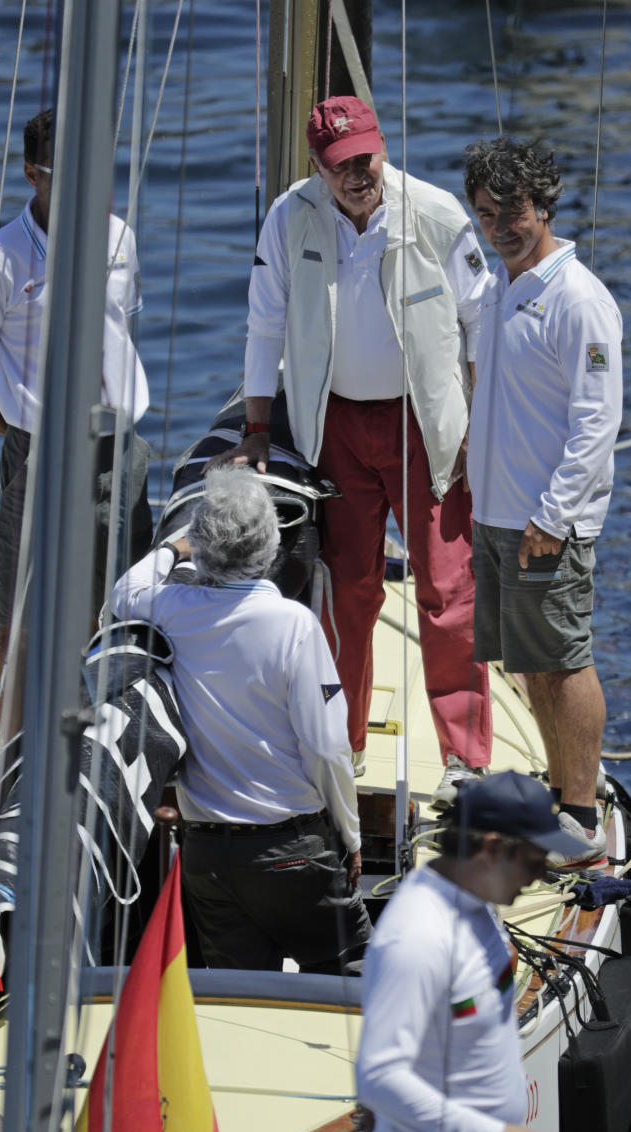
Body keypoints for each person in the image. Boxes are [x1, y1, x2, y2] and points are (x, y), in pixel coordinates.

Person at [225, 94, 494, 810]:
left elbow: (480, 324)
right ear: (318, 166)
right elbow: (264, 325)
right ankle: (341, 744)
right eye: (342, 164)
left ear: (382, 147)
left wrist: (474, 424)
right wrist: (257, 427)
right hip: (336, 430)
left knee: (447, 592)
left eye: (366, 157)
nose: (358, 174)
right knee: (348, 592)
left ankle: (466, 758)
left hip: (423, 423)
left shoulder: (434, 214)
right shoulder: (290, 217)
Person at [355, 770, 593, 1132]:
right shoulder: (417, 937)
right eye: (535, 858)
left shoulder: (476, 905)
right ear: (491, 849)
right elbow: (380, 1075)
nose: (543, 873)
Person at [110, 467, 371, 974]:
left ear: (205, 547)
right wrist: (351, 836)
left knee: (238, 996)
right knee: (355, 980)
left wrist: (175, 549)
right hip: (293, 850)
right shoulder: (294, 624)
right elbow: (326, 747)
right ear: (271, 548)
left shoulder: (173, 608)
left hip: (209, 857)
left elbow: (124, 592)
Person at [0, 108, 152, 702]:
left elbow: (123, 332)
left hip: (119, 446)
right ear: (34, 175)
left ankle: (95, 719)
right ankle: (4, 733)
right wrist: (18, 424)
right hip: (40, 449)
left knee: (118, 599)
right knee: (22, 609)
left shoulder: (121, 238)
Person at [463, 138, 623, 867]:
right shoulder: (497, 285)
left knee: (563, 661)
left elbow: (598, 421)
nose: (500, 226)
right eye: (487, 212)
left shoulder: (578, 298)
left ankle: (583, 815)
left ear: (544, 206)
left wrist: (553, 516)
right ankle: (559, 797)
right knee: (530, 664)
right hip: (497, 515)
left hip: (544, 523)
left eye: (514, 211)